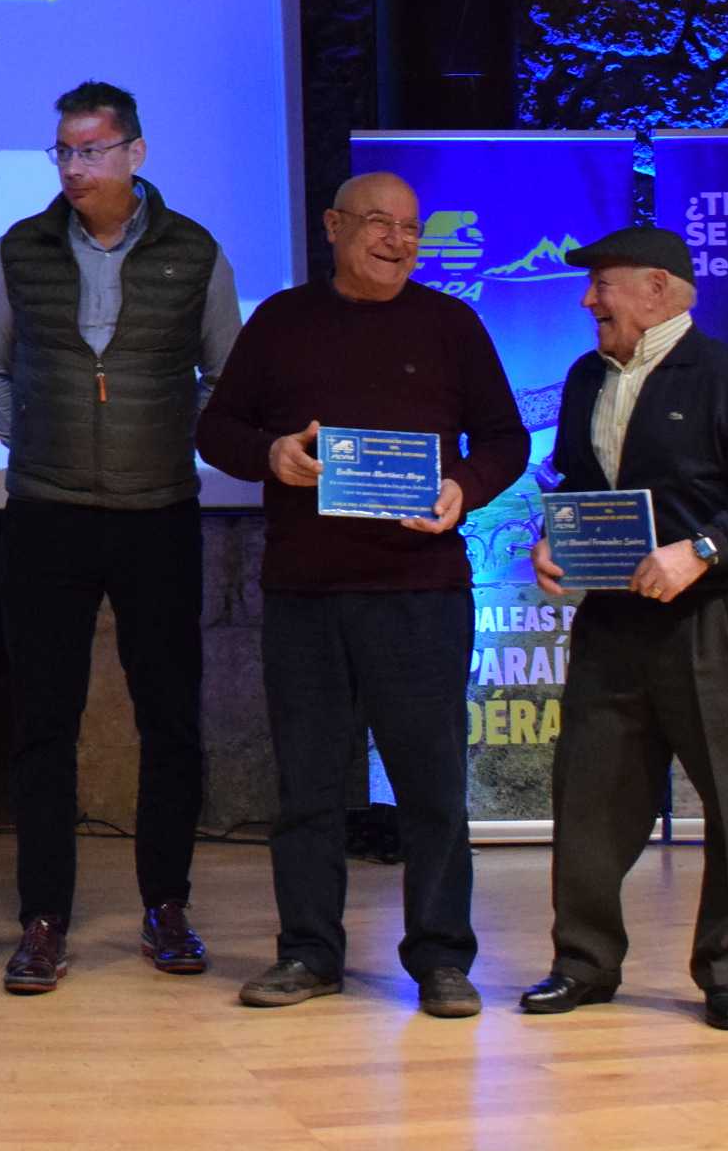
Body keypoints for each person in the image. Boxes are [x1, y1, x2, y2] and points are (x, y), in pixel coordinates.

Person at [195, 171, 528, 1019]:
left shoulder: (451, 325)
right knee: (307, 789)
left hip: (420, 593)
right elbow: (217, 429)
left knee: (432, 789)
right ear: (334, 227)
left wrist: (464, 487)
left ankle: (443, 960)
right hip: (307, 593)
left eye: (411, 227)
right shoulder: (281, 322)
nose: (397, 240)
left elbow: (504, 438)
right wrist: (270, 454)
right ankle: (309, 953)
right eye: (378, 223)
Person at [0, 81, 240, 994]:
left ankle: (167, 905)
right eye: (64, 152)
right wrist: (40, 440)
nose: (76, 167)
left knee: (171, 719)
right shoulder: (21, 248)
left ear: (135, 152)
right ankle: (42, 919)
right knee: (43, 723)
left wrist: (162, 439)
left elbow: (225, 376)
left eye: (92, 150)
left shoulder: (195, 251)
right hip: (46, 511)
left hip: (157, 509)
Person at [525, 226, 728, 1033]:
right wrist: (557, 538)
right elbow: (580, 483)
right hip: (614, 621)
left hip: (713, 622)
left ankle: (727, 971)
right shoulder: (586, 378)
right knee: (589, 794)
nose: (587, 301)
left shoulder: (725, 378)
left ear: (658, 290)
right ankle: (583, 963)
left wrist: (702, 551)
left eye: (601, 285)